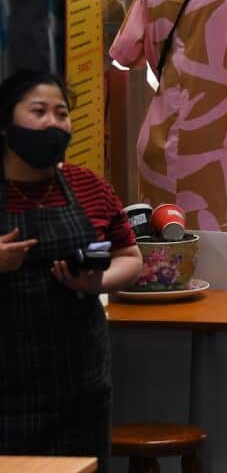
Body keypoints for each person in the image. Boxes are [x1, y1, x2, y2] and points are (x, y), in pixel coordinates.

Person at [0, 70, 144, 468]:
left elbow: (131, 257)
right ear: (6, 124)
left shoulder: (89, 186)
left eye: (61, 113)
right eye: (39, 111)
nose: (53, 123)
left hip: (80, 388)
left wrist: (96, 280)